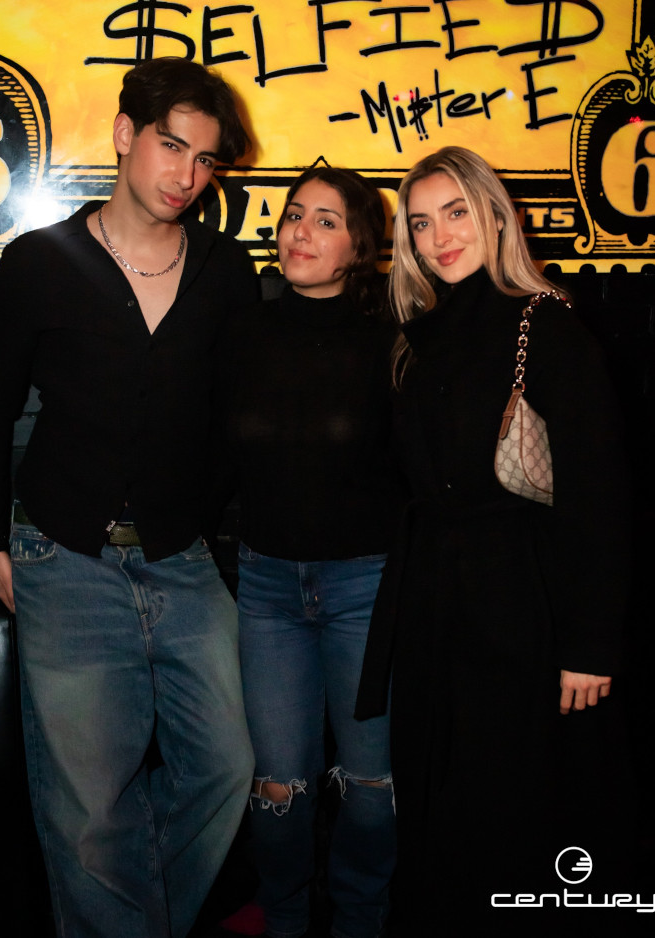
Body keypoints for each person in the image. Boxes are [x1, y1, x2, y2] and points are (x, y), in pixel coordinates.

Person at [0, 57, 257, 938]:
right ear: (126, 135)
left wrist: (198, 516)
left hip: (181, 556)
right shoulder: (39, 260)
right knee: (88, 810)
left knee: (226, 766)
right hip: (61, 553)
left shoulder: (225, 269)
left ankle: (132, 915)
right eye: (171, 145)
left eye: (205, 159)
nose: (187, 175)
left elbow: (235, 417)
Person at [355, 147, 632, 932]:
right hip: (432, 604)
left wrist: (591, 644)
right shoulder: (415, 335)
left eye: (456, 213)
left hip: (519, 604)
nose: (439, 236)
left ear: (496, 215)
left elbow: (598, 496)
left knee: (507, 813)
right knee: (434, 808)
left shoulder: (548, 325)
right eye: (420, 223)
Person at [221, 167, 400, 938]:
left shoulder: (394, 338)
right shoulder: (243, 331)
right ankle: (285, 917)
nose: (301, 231)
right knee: (277, 790)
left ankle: (361, 919)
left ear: (359, 246)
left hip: (366, 588)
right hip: (267, 590)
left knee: (371, 788)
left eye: (327, 221)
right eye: (295, 214)